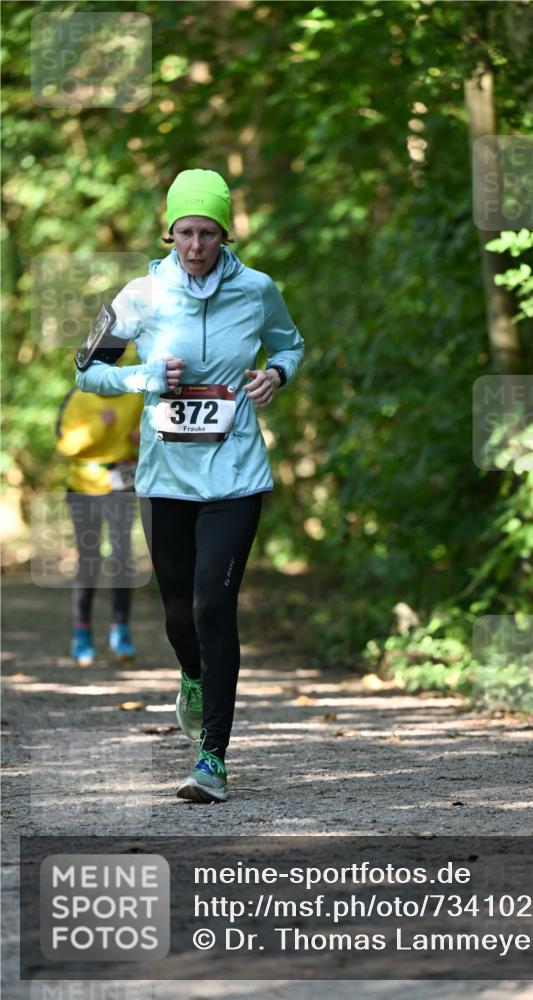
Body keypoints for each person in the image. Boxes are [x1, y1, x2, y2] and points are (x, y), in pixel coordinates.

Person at [75, 168, 304, 803]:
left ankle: (212, 757)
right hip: (166, 481)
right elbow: (87, 371)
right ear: (169, 233)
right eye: (185, 233)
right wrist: (143, 376)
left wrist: (276, 375)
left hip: (236, 476)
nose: (196, 245)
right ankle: (192, 676)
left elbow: (290, 347)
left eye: (207, 232)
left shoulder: (257, 290)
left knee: (212, 608)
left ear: (225, 234)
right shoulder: (140, 295)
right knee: (179, 614)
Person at [55, 383, 143, 666]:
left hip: (121, 484)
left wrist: (143, 436)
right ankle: (81, 634)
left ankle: (121, 632)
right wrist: (97, 425)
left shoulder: (135, 395)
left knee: (122, 556)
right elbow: (64, 444)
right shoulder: (78, 396)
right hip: (84, 488)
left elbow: (154, 429)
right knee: (89, 559)